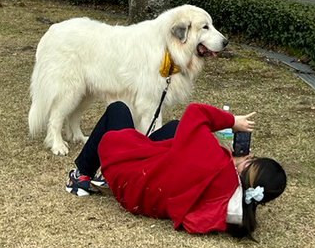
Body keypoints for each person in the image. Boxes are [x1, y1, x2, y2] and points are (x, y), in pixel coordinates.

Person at [65, 101, 287, 238]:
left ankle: (80, 176)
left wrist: (231, 121)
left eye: (251, 160)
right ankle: (136, 149)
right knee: (174, 128)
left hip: (131, 181)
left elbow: (196, 113)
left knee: (118, 109)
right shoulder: (232, 209)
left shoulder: (216, 162)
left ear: (248, 167)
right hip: (152, 196)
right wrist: (231, 160)